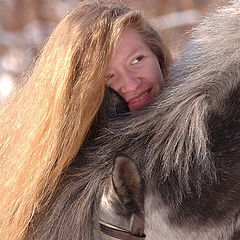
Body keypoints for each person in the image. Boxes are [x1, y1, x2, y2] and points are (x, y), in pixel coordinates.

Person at [0, 0, 171, 239]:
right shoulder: (65, 185)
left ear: (158, 56)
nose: (131, 84)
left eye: (137, 60)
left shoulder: (211, 124)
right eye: (107, 77)